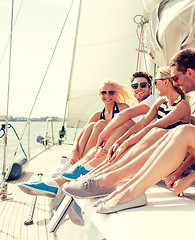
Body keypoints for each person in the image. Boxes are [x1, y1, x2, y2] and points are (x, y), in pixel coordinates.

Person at [62, 47, 195, 202]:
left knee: (176, 131)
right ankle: (104, 177)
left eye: (176, 77)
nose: (174, 83)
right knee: (159, 134)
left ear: (192, 72)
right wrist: (179, 171)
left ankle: (113, 183)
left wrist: (187, 177)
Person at [18, 72, 157, 197]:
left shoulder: (152, 101)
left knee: (120, 124)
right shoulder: (137, 106)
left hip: (144, 146)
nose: (139, 88)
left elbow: (127, 119)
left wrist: (104, 133)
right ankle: (57, 181)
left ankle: (72, 174)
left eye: (143, 85)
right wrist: (76, 149)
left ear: (151, 88)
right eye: (135, 86)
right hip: (131, 144)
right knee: (93, 147)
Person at [51, 79, 133, 178]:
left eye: (111, 93)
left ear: (115, 94)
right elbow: (80, 135)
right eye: (104, 92)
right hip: (99, 146)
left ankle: (77, 165)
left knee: (100, 123)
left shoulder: (123, 108)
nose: (107, 96)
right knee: (90, 126)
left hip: (114, 144)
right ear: (100, 94)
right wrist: (74, 151)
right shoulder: (98, 114)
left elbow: (127, 129)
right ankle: (74, 162)